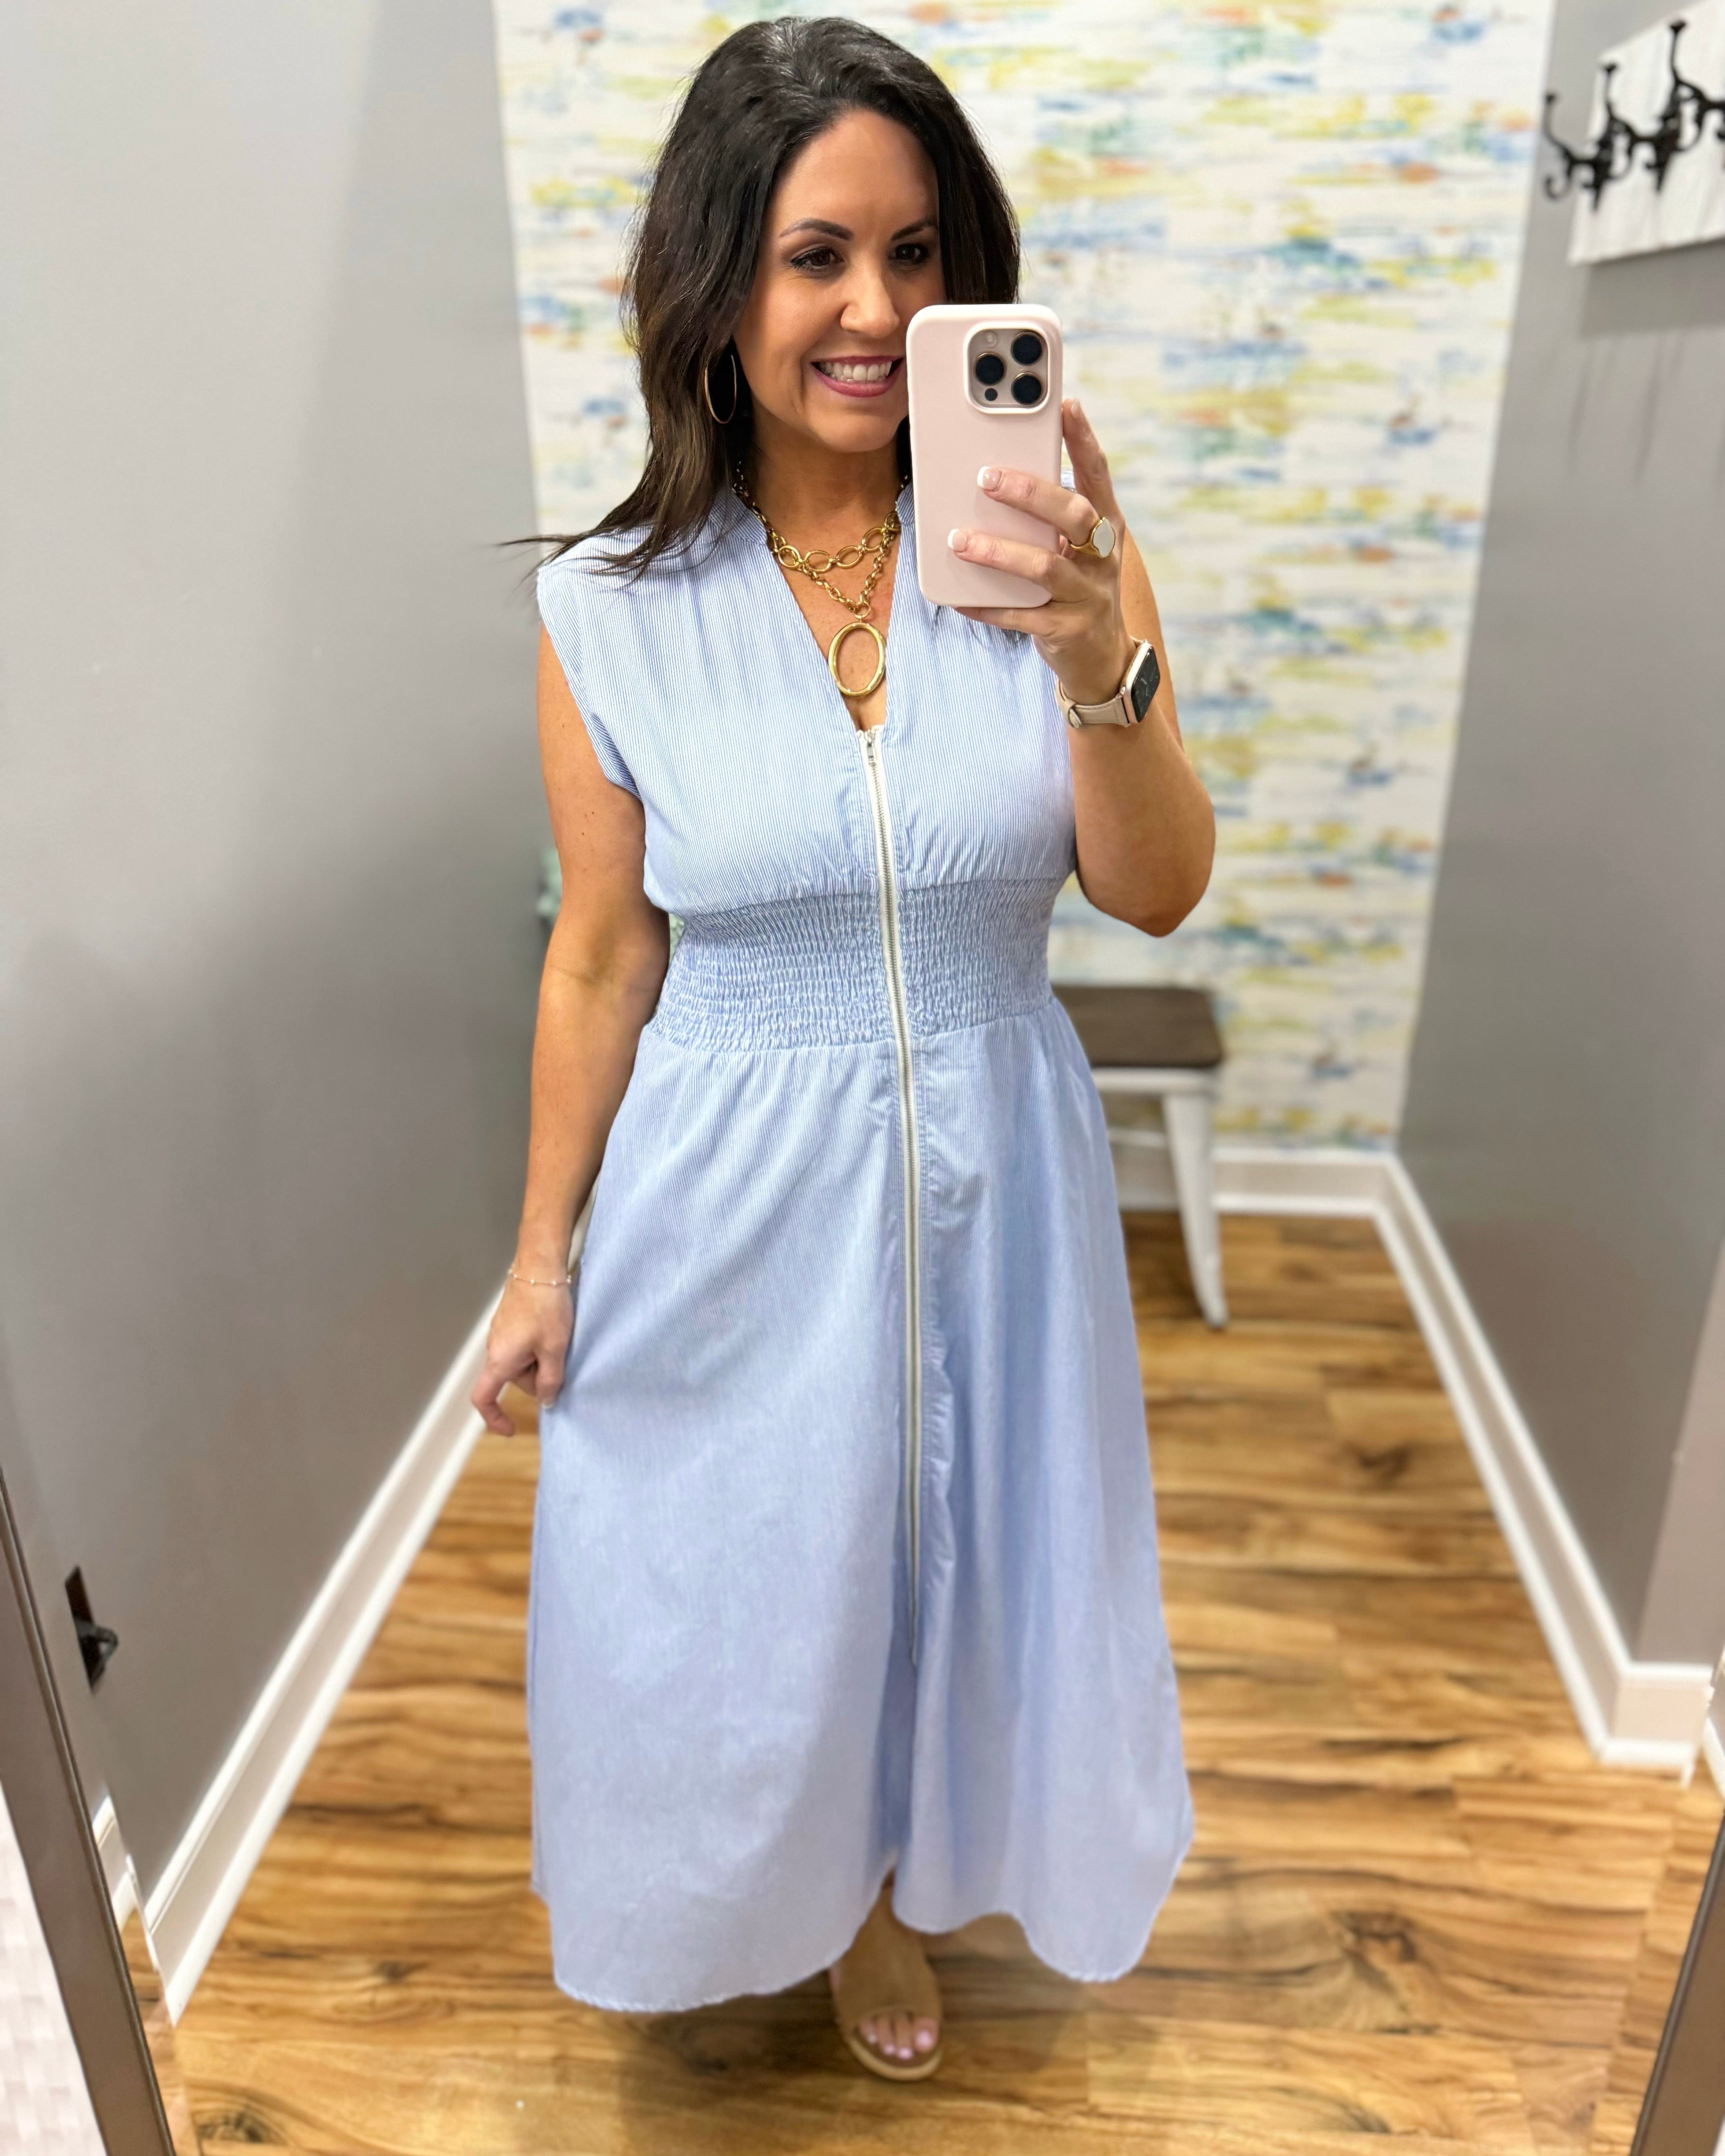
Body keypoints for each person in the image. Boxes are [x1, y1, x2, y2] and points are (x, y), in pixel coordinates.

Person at [471, 14, 1214, 2084]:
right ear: (718, 289)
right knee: (752, 1576)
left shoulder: (1057, 548)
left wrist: (1099, 657)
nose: (876, 311)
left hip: (1002, 1157)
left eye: (915, 253)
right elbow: (602, 957)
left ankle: (897, 1877)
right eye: (816, 256)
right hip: (729, 1184)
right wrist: (540, 1256)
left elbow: (1156, 889)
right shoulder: (613, 610)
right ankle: (797, 1893)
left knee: (969, 1559)